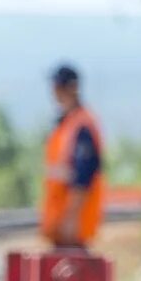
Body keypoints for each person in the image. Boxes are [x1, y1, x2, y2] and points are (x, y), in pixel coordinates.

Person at [40, 62, 103, 249]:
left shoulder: (82, 126)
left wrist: (71, 219)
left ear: (72, 88)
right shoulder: (66, 125)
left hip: (73, 228)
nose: (55, 92)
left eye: (59, 87)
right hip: (59, 225)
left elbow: (83, 177)